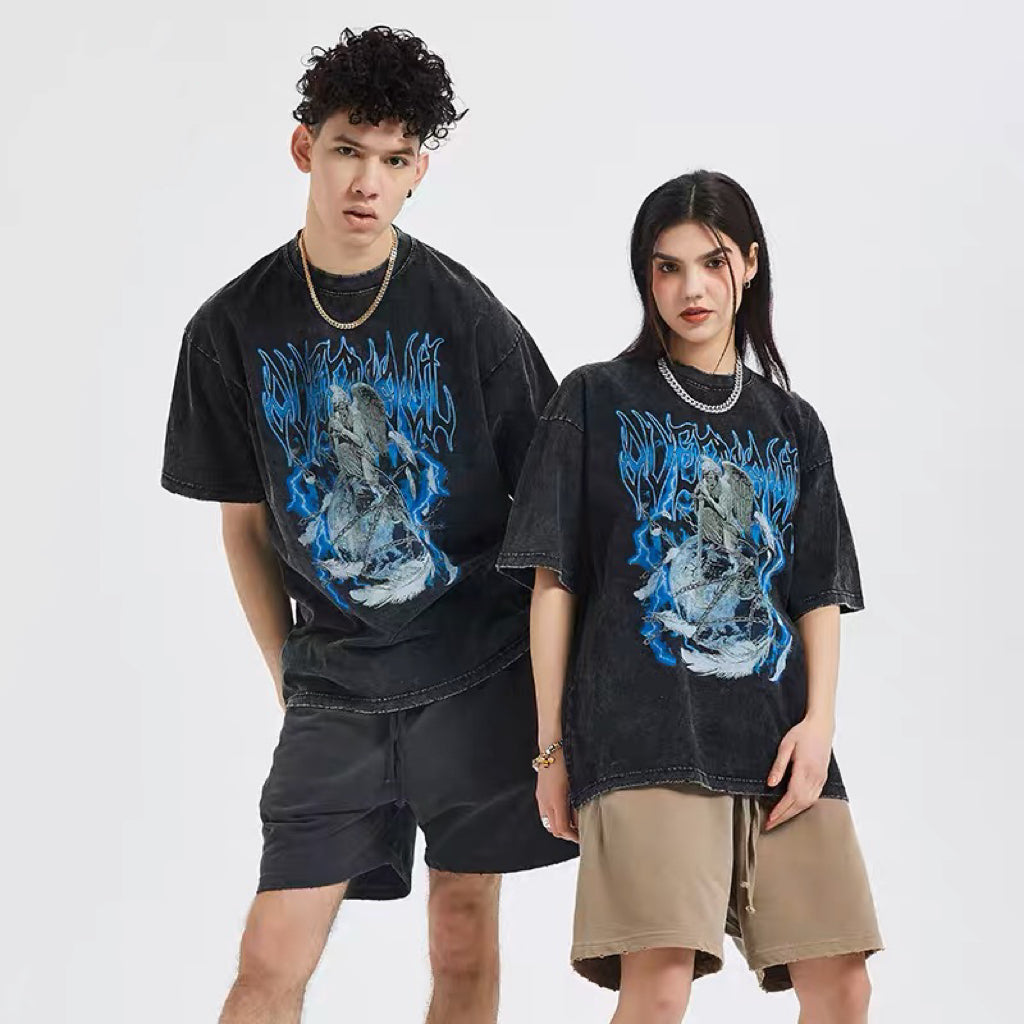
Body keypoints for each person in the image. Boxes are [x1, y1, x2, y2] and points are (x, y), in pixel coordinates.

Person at [160, 26, 577, 1024]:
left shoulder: (467, 315)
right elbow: (244, 528)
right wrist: (288, 673)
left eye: (395, 159)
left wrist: (558, 705)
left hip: (474, 674)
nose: (367, 182)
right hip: (336, 689)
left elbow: (553, 512)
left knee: (462, 934)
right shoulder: (230, 328)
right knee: (271, 955)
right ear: (305, 147)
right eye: (349, 150)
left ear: (418, 171)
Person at [497, 170, 883, 1024]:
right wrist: (551, 749)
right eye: (667, 267)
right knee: (661, 985)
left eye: (712, 262)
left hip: (777, 735)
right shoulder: (594, 398)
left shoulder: (792, 424)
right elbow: (554, 581)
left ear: (750, 263)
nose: (691, 288)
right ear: (646, 277)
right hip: (643, 737)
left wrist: (819, 724)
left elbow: (817, 590)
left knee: (842, 982)